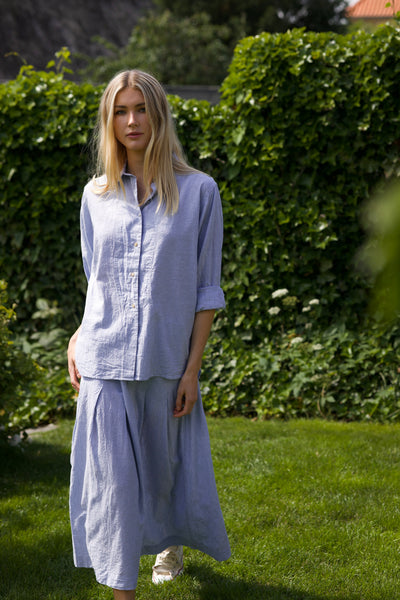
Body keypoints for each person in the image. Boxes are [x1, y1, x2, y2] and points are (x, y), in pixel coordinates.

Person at [67, 69, 231, 600]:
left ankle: (169, 542)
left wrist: (191, 370)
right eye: (120, 111)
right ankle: (124, 591)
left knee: (164, 475)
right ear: (109, 121)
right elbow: (97, 279)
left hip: (165, 358)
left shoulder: (200, 192)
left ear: (158, 115)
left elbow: (206, 289)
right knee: (113, 489)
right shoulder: (95, 196)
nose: (131, 121)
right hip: (105, 359)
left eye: (141, 109)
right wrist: (77, 336)